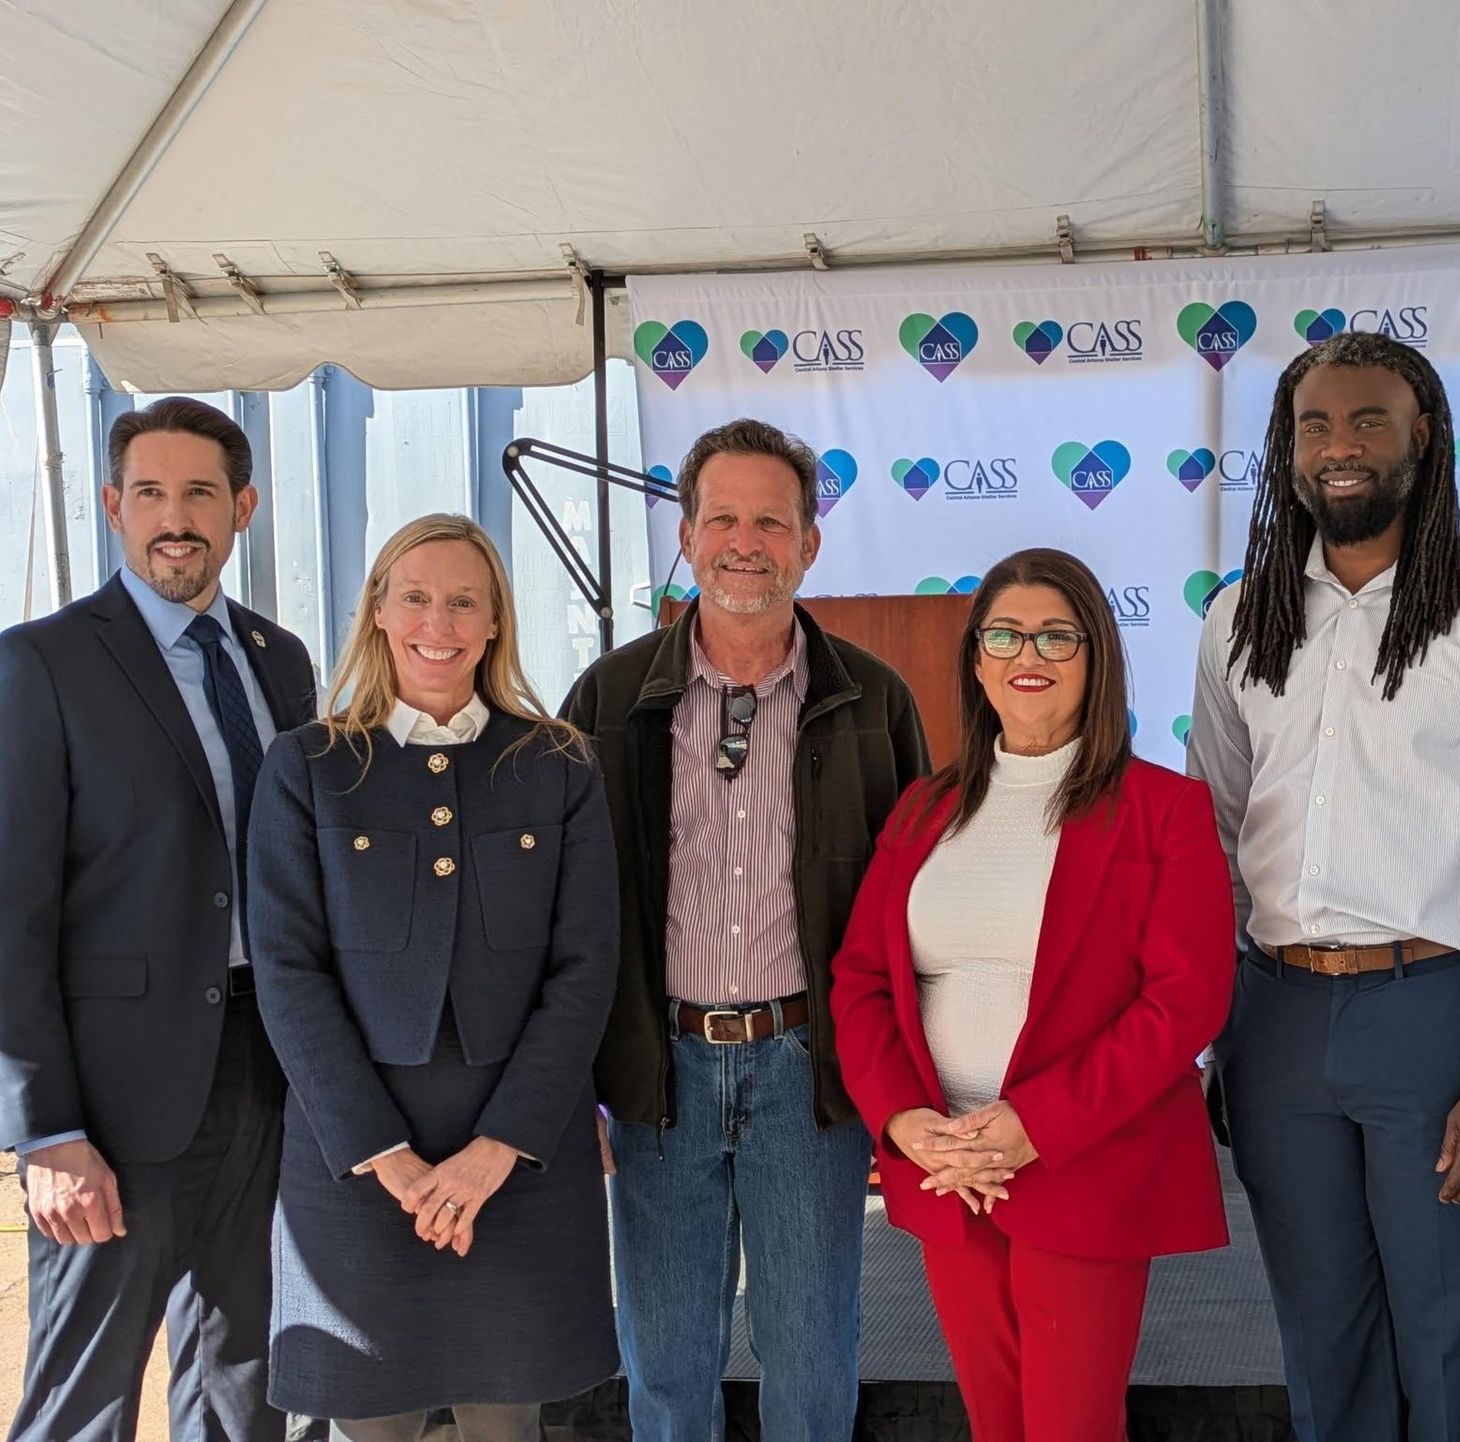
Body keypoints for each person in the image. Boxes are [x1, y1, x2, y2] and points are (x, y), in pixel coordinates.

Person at [1188, 332, 1460, 1442]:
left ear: (1425, 435)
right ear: (1286, 448)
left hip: (1437, 1015)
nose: (1341, 448)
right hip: (1274, 1016)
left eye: (1369, 420)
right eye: (1316, 425)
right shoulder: (1241, 617)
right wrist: (1216, 1030)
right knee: (1321, 1338)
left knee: (1447, 1331)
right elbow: (1218, 831)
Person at [563, 418, 929, 1439]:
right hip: (657, 1070)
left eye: (771, 520)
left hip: (807, 1071)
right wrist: (581, 1078)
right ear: (685, 536)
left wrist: (891, 1073)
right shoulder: (608, 697)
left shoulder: (874, 698)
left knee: (813, 1356)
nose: (745, 541)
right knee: (667, 1358)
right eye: (721, 516)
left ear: (810, 542)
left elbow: (911, 908)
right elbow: (565, 903)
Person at [831, 547, 1234, 1441]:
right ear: (976, 659)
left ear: (1097, 658)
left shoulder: (1164, 810)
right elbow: (860, 981)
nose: (1031, 654)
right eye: (1006, 633)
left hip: (1081, 1166)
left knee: (1071, 1428)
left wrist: (1033, 1128)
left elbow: (1185, 1002)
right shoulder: (922, 810)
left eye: (1059, 634)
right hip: (949, 1167)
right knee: (994, 1424)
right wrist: (905, 1122)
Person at [246, 514, 619, 1441]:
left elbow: (585, 969)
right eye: (414, 597)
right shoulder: (308, 768)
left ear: (496, 623)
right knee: (371, 1423)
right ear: (377, 611)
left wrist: (498, 1149)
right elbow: (289, 974)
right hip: (361, 1166)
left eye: (463, 603)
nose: (437, 624)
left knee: (508, 1424)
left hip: (521, 1160)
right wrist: (392, 1162)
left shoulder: (559, 766)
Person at [0, 397, 315, 1442]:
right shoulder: (40, 663)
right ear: (111, 506)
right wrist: (44, 1126)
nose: (173, 517)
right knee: (83, 1393)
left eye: (199, 494)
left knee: (245, 1379)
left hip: (268, 1078)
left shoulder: (281, 660)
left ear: (244, 508)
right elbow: (11, 908)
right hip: (114, 1103)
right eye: (149, 494)